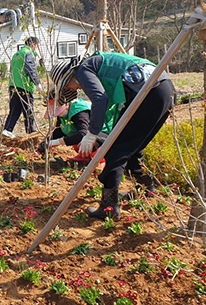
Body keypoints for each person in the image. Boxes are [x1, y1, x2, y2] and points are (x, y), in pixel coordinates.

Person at [50, 51, 174, 220]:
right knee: (132, 146)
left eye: (68, 87)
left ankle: (109, 207)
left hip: (149, 92)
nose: (73, 89)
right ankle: (147, 188)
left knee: (116, 149)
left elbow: (100, 99)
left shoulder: (82, 70)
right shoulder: (97, 65)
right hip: (163, 88)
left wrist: (92, 133)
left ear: (69, 77)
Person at [2, 37, 44, 139]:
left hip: (13, 85)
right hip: (24, 86)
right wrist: (37, 83)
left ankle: (7, 130)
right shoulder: (28, 53)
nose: (36, 48)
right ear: (33, 44)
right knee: (28, 109)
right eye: (36, 46)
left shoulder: (17, 54)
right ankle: (30, 132)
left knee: (15, 109)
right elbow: (30, 69)